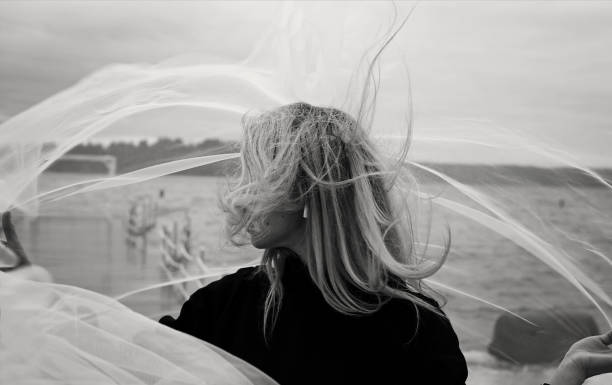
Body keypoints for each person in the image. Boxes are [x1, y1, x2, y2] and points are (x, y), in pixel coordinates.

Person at [1, 105, 611, 385]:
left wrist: (565, 378)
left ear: (306, 193)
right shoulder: (220, 306)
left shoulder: (413, 330)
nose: (236, 193)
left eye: (253, 173)